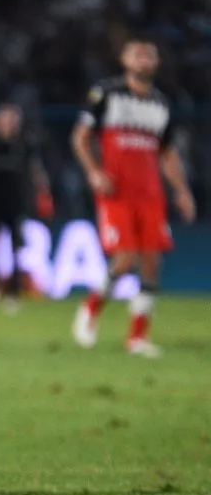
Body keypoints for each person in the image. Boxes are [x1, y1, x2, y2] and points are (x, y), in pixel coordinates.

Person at [71, 38, 196, 358]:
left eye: (149, 55)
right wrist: (94, 172)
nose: (143, 59)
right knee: (126, 257)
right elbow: (81, 137)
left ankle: (137, 337)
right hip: (117, 191)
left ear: (156, 63)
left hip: (151, 194)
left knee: (152, 261)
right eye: (137, 54)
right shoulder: (106, 94)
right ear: (124, 59)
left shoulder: (161, 104)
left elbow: (167, 153)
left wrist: (181, 190)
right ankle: (90, 310)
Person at [0, 103, 51, 312]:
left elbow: (35, 169)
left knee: (16, 249)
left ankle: (14, 292)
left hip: (15, 200)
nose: (8, 125)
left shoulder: (25, 144)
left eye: (12, 120)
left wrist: (43, 193)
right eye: (5, 120)